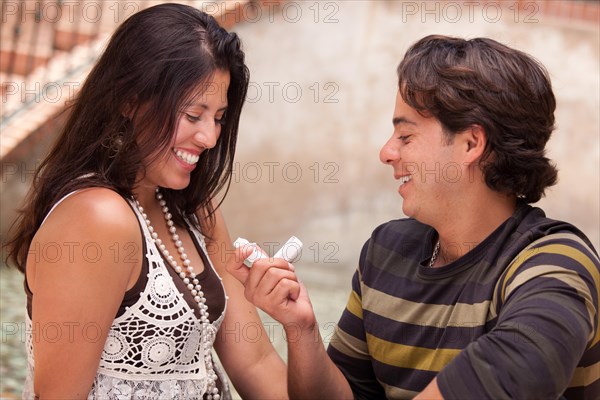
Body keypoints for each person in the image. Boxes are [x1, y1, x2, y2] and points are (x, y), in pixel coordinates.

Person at [227, 35, 600, 399]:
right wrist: (301, 328)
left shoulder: (555, 262)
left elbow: (513, 372)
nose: (386, 153)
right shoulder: (386, 251)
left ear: (471, 144)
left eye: (405, 136)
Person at [5, 3, 289, 399]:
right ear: (130, 99)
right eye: (193, 115)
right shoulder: (97, 220)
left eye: (219, 117)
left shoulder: (194, 212)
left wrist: (301, 327)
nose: (209, 137)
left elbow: (257, 363)